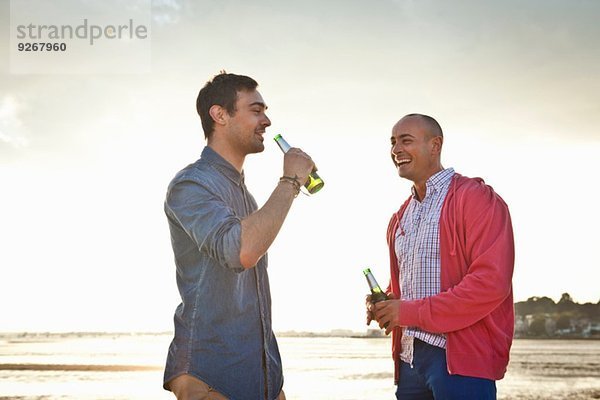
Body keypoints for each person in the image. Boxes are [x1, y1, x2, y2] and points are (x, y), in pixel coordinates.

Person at [163, 72, 315, 400]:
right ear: (220, 115)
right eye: (256, 110)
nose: (267, 120)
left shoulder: (247, 198)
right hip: (210, 374)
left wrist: (273, 383)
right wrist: (290, 180)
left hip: (262, 378)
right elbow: (240, 252)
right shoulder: (191, 185)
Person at [366, 114, 515, 400]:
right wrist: (384, 302)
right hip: (409, 358)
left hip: (461, 360)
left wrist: (406, 312)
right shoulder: (400, 216)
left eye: (406, 140)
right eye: (393, 142)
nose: (396, 149)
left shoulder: (475, 198)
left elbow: (491, 283)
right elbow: (406, 288)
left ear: (435, 145)